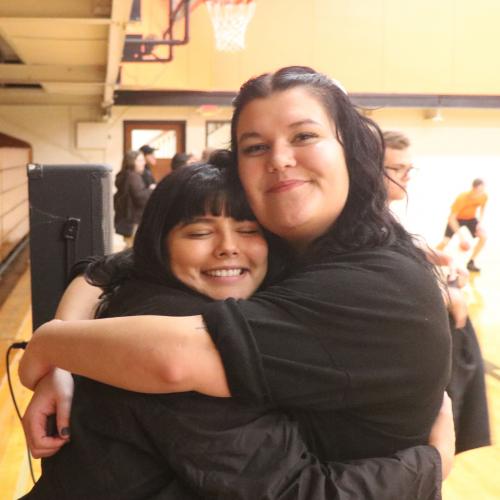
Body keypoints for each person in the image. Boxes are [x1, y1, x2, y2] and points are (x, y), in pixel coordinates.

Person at [20, 67, 454, 495]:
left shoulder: (374, 285)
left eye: (304, 136)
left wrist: (51, 343)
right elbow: (111, 267)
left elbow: (173, 359)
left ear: (351, 148)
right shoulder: (283, 251)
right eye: (255, 146)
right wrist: (59, 366)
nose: (280, 159)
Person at [383, 130, 490, 453]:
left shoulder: (385, 218)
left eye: (409, 168)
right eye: (398, 169)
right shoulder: (363, 218)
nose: (407, 177)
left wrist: (428, 254)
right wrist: (445, 293)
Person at [436, 178, 488, 272]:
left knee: (483, 237)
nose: (481, 192)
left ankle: (470, 262)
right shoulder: (462, 198)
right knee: (445, 242)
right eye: (479, 190)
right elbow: (451, 218)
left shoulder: (484, 196)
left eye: (483, 190)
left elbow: (482, 208)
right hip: (456, 219)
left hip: (470, 219)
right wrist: (461, 238)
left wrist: (479, 223)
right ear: (473, 188)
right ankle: (429, 259)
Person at [114, 150, 154, 247]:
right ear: (132, 162)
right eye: (140, 160)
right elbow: (140, 198)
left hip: (127, 220)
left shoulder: (124, 175)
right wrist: (151, 189)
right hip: (133, 221)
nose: (143, 163)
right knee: (133, 252)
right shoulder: (133, 176)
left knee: (130, 249)